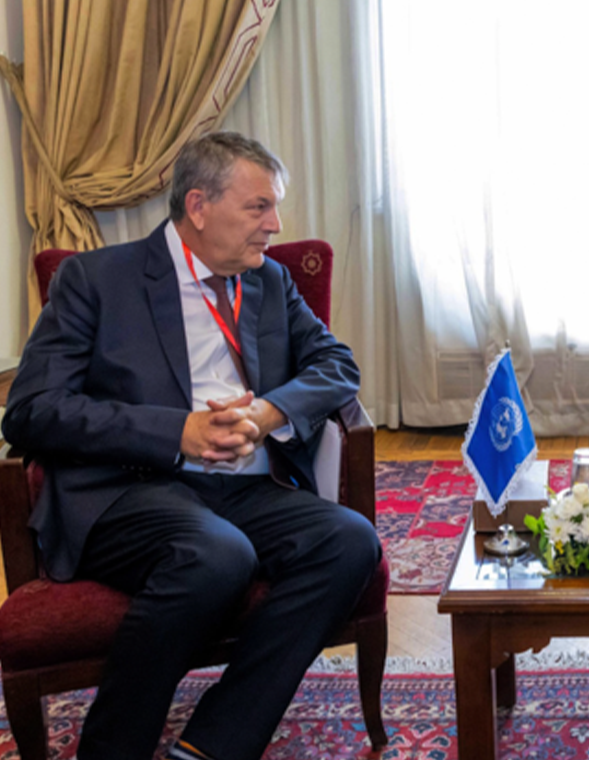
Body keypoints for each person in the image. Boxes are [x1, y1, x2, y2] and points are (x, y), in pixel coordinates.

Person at [1, 132, 382, 760]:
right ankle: (111, 748)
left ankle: (212, 745)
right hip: (131, 488)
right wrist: (175, 431)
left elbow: (336, 366)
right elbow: (33, 411)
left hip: (245, 485)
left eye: (275, 208)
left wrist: (266, 414)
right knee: (217, 554)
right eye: (258, 207)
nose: (275, 225)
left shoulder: (268, 282)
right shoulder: (95, 280)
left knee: (348, 541)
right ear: (199, 206)